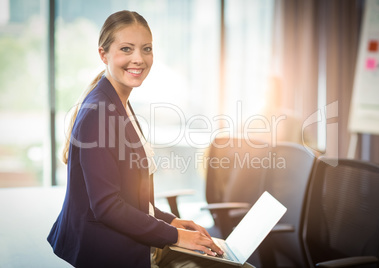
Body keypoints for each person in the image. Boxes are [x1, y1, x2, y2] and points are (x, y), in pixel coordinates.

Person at [47, 10, 255, 268]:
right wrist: (177, 236)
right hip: (108, 252)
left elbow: (128, 196)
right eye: (126, 49)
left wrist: (170, 221)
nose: (139, 59)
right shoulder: (100, 112)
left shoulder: (120, 102)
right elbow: (107, 207)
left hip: (129, 244)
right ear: (104, 54)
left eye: (146, 49)